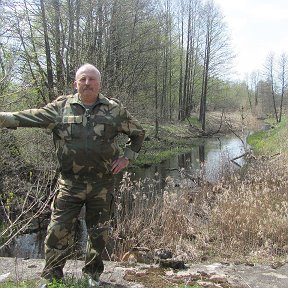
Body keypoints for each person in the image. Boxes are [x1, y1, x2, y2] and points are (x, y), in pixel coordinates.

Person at [0, 63, 145, 287]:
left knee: (98, 234)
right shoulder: (61, 107)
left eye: (92, 79)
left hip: (102, 184)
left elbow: (138, 134)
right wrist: (3, 117)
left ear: (99, 83)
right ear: (75, 83)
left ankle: (91, 276)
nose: (87, 83)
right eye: (83, 79)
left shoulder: (115, 110)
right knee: (57, 230)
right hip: (69, 184)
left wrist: (127, 157)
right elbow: (28, 116)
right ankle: (52, 277)